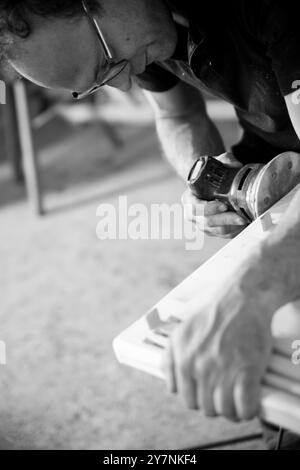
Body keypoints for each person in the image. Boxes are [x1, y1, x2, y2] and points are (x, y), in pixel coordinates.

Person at [2, 0, 300, 448]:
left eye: (108, 63)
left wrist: (250, 291)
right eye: (99, 82)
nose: (123, 84)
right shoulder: (136, 25)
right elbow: (177, 115)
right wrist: (205, 179)